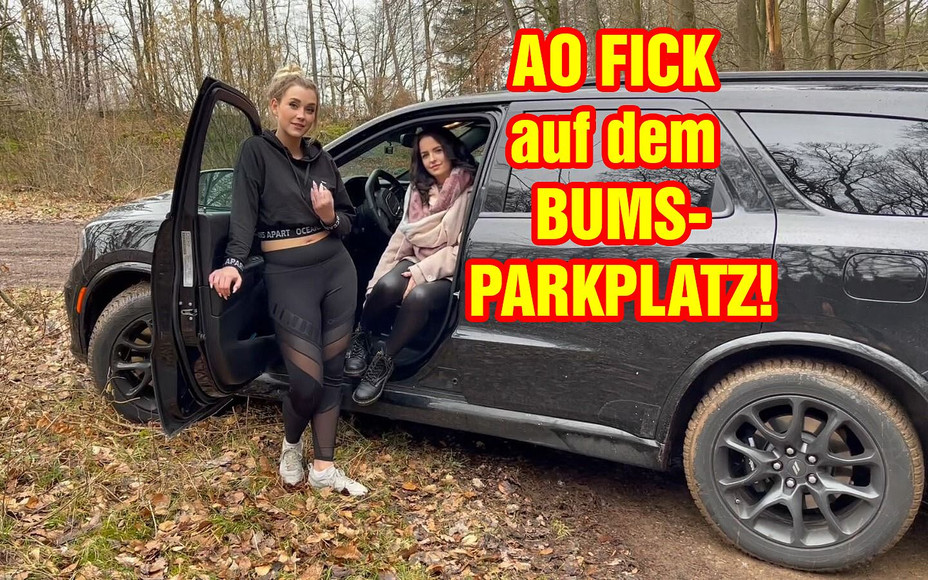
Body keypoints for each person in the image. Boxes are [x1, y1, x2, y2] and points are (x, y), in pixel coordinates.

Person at [208, 65, 367, 496]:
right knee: (306, 380)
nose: (302, 115)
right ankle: (291, 445)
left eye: (310, 109)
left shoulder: (322, 158)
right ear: (275, 106)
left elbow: (349, 221)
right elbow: (243, 216)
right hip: (288, 275)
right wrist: (233, 263)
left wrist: (329, 216)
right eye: (294, 105)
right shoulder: (256, 153)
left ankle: (324, 468)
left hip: (336, 270)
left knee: (333, 372)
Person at [345, 126, 477, 405]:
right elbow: (400, 240)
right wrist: (375, 284)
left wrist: (421, 273)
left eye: (438, 150)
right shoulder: (416, 192)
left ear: (450, 150)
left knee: (418, 297)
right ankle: (362, 335)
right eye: (425, 154)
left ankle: (384, 361)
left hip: (448, 270)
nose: (432, 159)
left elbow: (462, 249)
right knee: (386, 286)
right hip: (415, 257)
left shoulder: (471, 191)